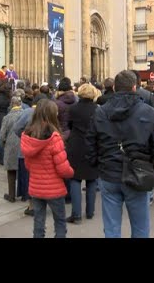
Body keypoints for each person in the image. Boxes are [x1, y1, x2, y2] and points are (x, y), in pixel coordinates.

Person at [85, 70, 154, 238]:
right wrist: (153, 167)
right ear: (134, 87)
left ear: (114, 87)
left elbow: (90, 142)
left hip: (109, 171)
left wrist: (96, 164)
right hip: (138, 172)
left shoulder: (100, 111)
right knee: (140, 226)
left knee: (111, 227)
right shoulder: (149, 112)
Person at [21, 99, 74, 238]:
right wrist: (71, 172)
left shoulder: (28, 135)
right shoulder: (54, 137)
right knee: (60, 221)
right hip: (54, 187)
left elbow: (28, 164)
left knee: (38, 220)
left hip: (36, 186)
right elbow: (62, 168)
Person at [66, 84, 99, 224]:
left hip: (76, 145)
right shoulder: (97, 109)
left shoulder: (73, 109)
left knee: (75, 179)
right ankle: (90, 212)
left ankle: (76, 214)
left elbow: (69, 126)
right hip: (92, 145)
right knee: (92, 179)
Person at [0, 96, 24, 203]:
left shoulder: (7, 118)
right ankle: (24, 195)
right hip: (24, 145)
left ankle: (11, 195)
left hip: (11, 146)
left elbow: (1, 135)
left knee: (11, 171)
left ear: (11, 104)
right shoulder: (25, 114)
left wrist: (4, 145)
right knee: (24, 171)